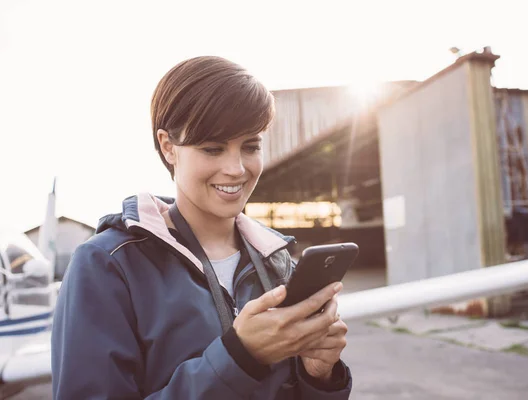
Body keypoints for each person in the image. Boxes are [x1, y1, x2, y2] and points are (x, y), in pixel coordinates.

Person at [51, 56, 352, 399]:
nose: (237, 168)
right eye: (213, 148)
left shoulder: (278, 263)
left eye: (251, 146)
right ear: (168, 147)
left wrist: (319, 376)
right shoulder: (108, 264)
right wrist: (239, 358)